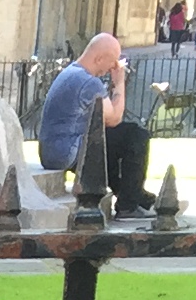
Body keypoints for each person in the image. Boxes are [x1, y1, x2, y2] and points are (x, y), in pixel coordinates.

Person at [39, 33, 160, 209]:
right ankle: (129, 204)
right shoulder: (87, 82)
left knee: (108, 143)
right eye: (112, 61)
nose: (113, 67)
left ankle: (134, 195)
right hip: (68, 151)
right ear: (99, 59)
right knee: (135, 135)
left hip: (54, 151)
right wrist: (119, 83)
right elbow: (114, 119)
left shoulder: (71, 73)